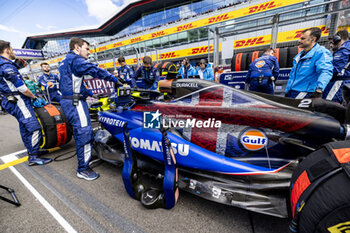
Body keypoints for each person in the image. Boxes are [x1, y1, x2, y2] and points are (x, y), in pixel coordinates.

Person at [59, 37, 122, 181]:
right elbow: (94, 70)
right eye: (87, 49)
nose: (89, 52)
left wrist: (93, 94)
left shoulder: (66, 60)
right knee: (85, 132)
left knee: (81, 131)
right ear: (77, 47)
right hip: (75, 103)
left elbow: (77, 84)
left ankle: (86, 155)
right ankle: (83, 169)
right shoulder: (76, 60)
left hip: (71, 101)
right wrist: (114, 80)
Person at [0, 40, 51, 165]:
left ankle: (33, 150)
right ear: (7, 50)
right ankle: (33, 155)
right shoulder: (7, 65)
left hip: (10, 100)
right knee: (34, 127)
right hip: (18, 101)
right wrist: (34, 97)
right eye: (12, 49)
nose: (13, 52)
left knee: (24, 126)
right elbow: (22, 88)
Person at [285, 27, 333, 99]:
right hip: (292, 92)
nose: (299, 41)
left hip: (305, 93)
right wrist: (287, 90)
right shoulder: (300, 55)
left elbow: (326, 71)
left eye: (303, 39)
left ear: (313, 39)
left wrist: (319, 90)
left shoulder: (321, 52)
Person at [323, 30, 350, 103]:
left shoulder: (344, 49)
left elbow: (335, 69)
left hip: (339, 81)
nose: (331, 45)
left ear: (338, 38)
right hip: (344, 82)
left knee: (327, 105)